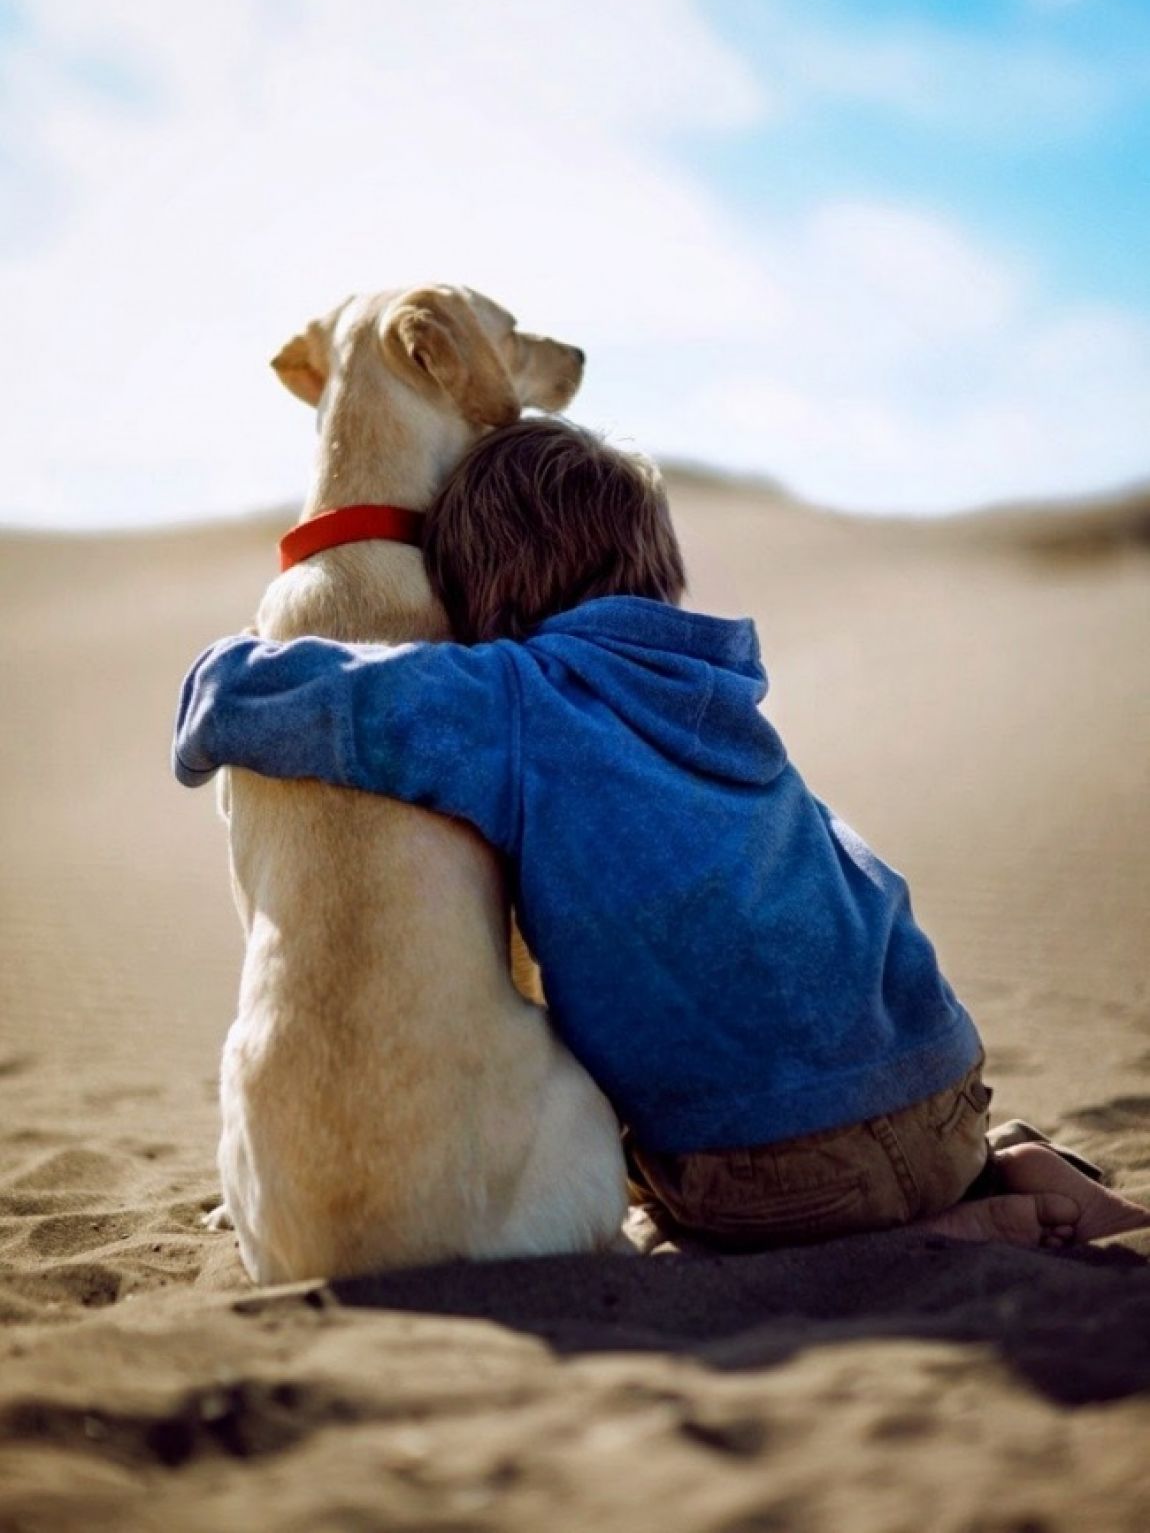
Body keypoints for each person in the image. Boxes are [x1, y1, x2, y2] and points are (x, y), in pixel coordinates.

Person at [174, 420, 1150, 1251]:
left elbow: (303, 702)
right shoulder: (716, 691)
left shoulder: (518, 698)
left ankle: (941, 1240)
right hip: (939, 1092)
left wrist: (216, 676)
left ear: (484, 591)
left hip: (769, 1172)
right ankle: (1001, 1173)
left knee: (671, 1214)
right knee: (888, 1128)